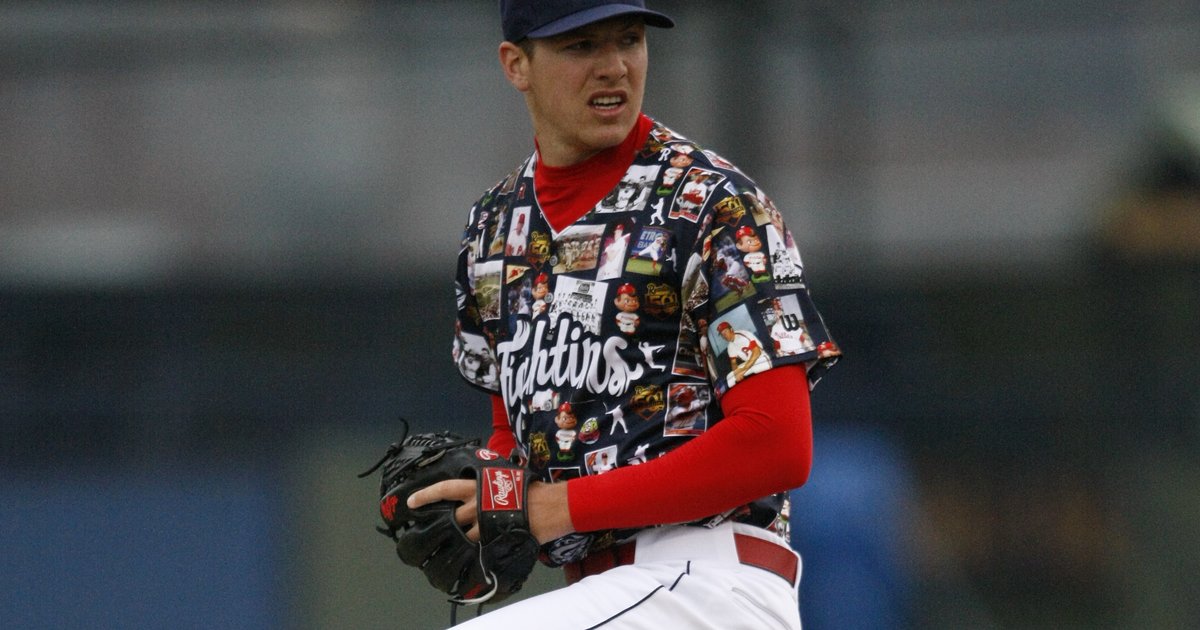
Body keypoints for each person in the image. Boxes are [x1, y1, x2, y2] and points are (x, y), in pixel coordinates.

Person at [410, 1, 841, 627]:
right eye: (581, 46)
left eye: (629, 40)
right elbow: (514, 437)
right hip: (595, 595)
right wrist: (489, 508)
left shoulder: (710, 203)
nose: (613, 66)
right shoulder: (494, 229)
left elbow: (779, 444)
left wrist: (558, 509)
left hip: (707, 581)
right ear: (516, 64)